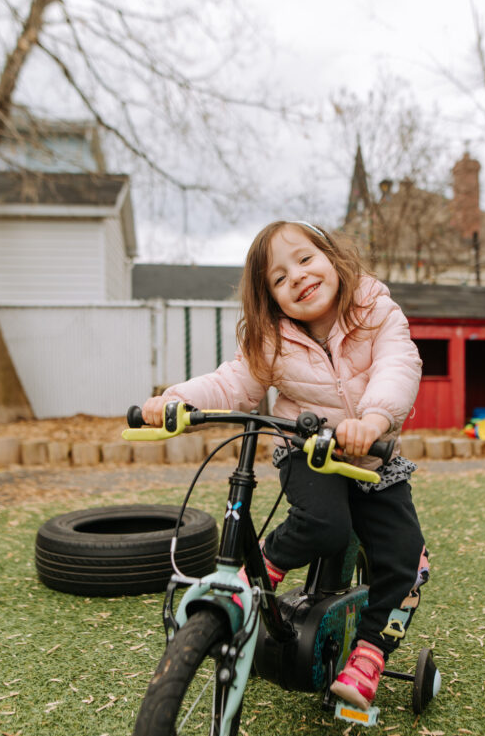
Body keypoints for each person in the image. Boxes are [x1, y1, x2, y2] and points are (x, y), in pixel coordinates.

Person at [141, 220, 428, 710]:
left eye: (305, 259)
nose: (296, 277)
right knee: (323, 524)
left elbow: (398, 364)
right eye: (278, 278)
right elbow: (234, 384)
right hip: (309, 448)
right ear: (270, 298)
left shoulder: (375, 308)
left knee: (407, 562)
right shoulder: (270, 339)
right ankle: (261, 572)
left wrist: (374, 419)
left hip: (374, 454)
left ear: (332, 258)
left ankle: (370, 655)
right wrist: (178, 399)